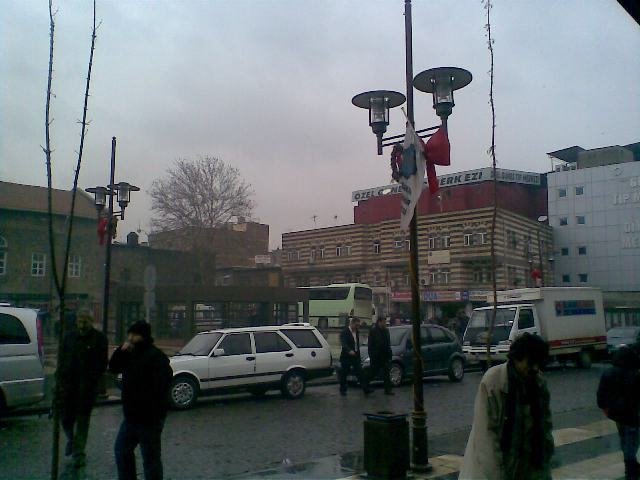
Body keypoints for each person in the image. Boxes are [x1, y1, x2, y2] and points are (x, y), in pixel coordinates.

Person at [459, 333, 554, 480]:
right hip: (493, 468)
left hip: (527, 465)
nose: (534, 368)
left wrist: (545, 457)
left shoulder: (539, 383)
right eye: (531, 362)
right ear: (517, 357)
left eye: (538, 363)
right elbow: (486, 435)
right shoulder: (492, 381)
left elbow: (545, 425)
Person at [109, 321, 173, 480]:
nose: (130, 338)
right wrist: (120, 351)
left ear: (143, 336)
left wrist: (155, 410)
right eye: (129, 334)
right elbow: (113, 368)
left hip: (149, 418)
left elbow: (163, 385)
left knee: (150, 459)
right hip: (131, 416)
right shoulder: (129, 353)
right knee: (121, 450)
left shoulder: (156, 356)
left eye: (134, 335)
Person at [59, 309, 108, 468]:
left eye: (85, 321)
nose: (81, 324)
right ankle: (72, 442)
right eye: (79, 321)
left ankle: (79, 453)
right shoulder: (69, 337)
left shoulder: (99, 338)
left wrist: (97, 383)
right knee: (66, 419)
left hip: (86, 389)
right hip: (68, 386)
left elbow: (102, 363)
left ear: (91, 322)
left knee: (82, 421)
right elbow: (62, 359)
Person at [597, 346, 640, 480]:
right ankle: (631, 469)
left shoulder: (608, 373)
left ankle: (631, 466)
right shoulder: (635, 374)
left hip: (616, 414)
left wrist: (605, 408)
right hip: (632, 414)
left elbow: (601, 395)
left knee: (624, 439)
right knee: (632, 443)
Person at [338, 317, 372, 396]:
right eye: (356, 325)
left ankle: (366, 389)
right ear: (352, 323)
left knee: (360, 372)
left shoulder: (357, 332)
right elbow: (344, 343)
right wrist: (349, 350)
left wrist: (357, 353)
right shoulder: (345, 332)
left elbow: (356, 343)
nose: (357, 327)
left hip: (355, 356)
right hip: (346, 356)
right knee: (344, 373)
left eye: (358, 325)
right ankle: (343, 389)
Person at [367, 316, 393, 395]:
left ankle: (387, 390)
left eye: (385, 322)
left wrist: (389, 354)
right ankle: (365, 385)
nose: (385, 323)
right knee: (373, 372)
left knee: (386, 373)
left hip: (384, 355)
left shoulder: (386, 331)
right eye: (384, 322)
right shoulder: (373, 331)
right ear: (379, 322)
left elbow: (388, 343)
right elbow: (370, 345)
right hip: (376, 356)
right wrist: (372, 355)